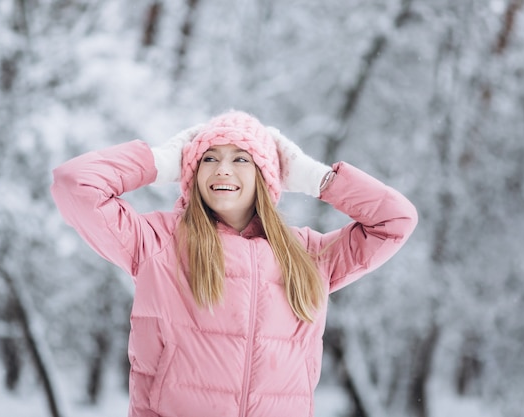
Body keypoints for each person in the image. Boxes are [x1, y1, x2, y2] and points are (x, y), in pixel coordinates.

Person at [50, 110, 418, 417]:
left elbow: (395, 221)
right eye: (209, 158)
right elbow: (74, 184)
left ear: (265, 175)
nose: (222, 169)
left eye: (241, 159)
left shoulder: (307, 255)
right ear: (191, 175)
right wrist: (160, 161)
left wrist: (315, 177)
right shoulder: (158, 243)